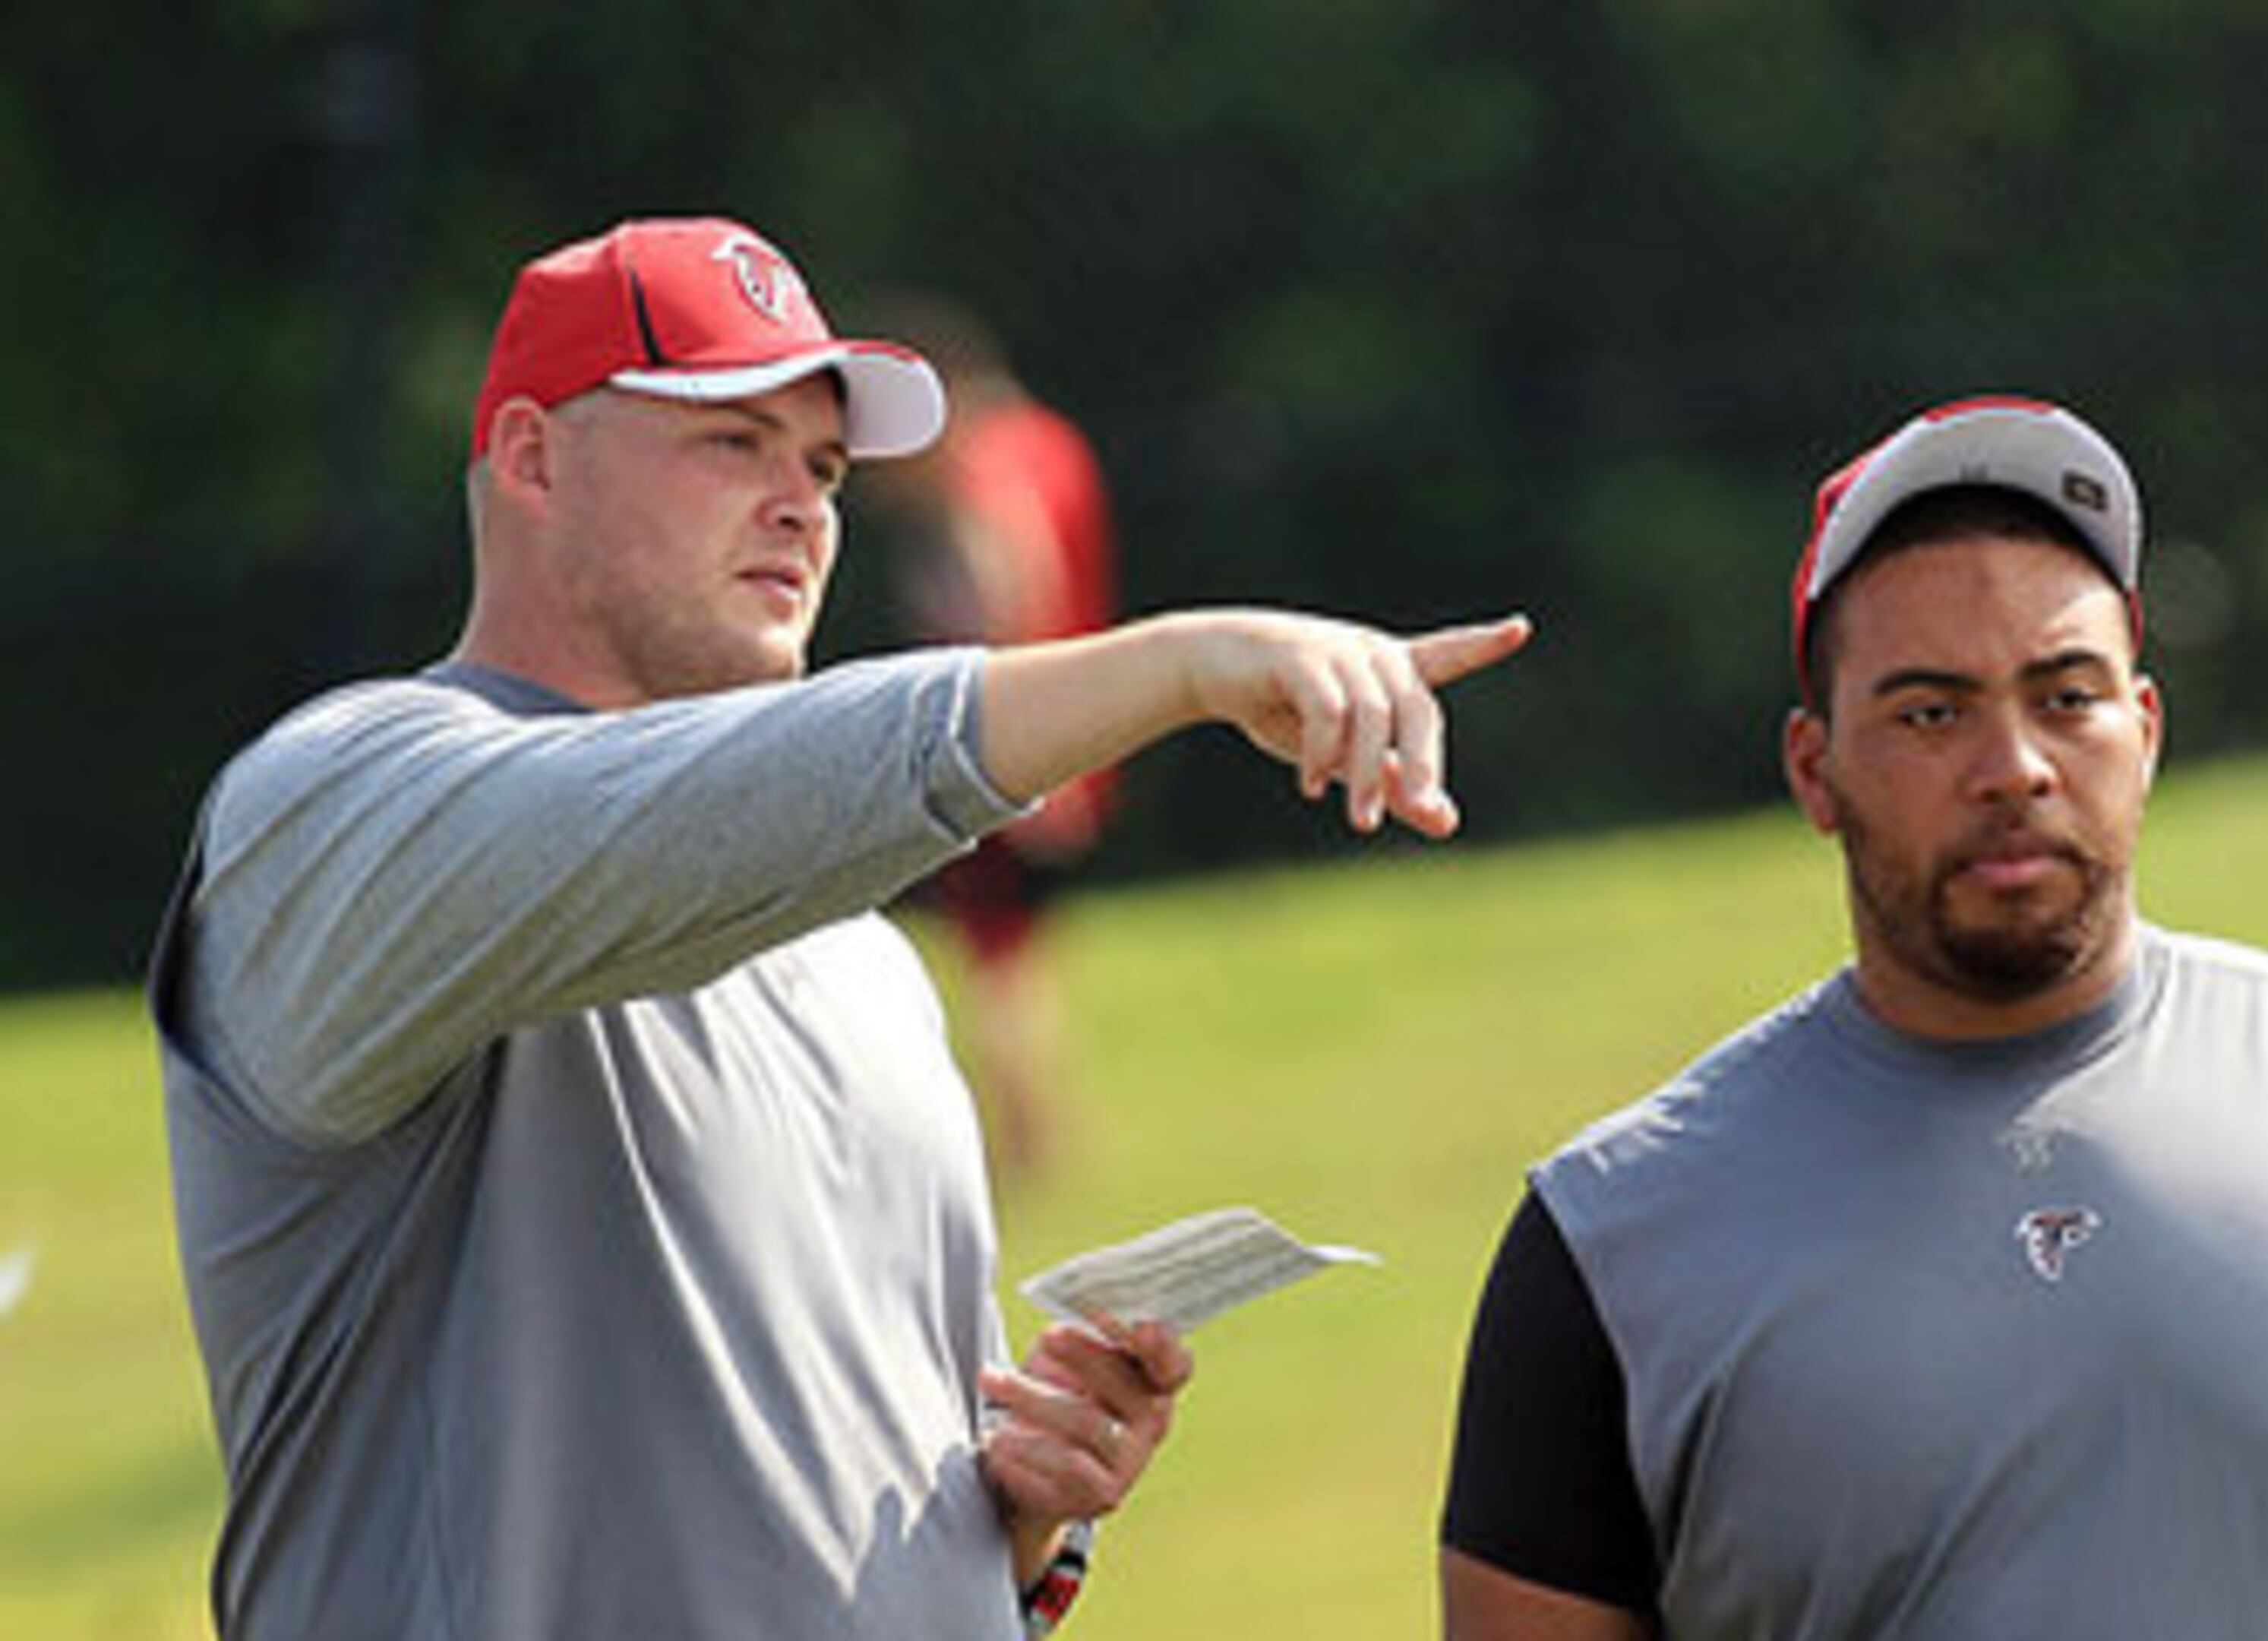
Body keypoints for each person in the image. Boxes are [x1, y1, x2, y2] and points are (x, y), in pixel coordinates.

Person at [147, 215, 1528, 1641]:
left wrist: (1026, 1517)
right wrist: (1176, 664)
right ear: (531, 459)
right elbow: (663, 825)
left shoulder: (861, 961)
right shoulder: (328, 811)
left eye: (821, 465)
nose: (804, 504)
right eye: (730, 443)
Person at [1437, 397, 2268, 1640]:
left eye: (2066, 696)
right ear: (1816, 772)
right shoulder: (1611, 1244)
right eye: (1932, 712)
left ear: (2142, 732)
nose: (2015, 767)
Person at [867, 305, 1122, 1179]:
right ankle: (1029, 1146)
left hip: (1010, 747)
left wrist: (1003, 718)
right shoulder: (1054, 442)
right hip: (1084, 734)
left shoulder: (979, 470)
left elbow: (1008, 570)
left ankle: (1019, 1152)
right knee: (1022, 961)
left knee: (997, 965)